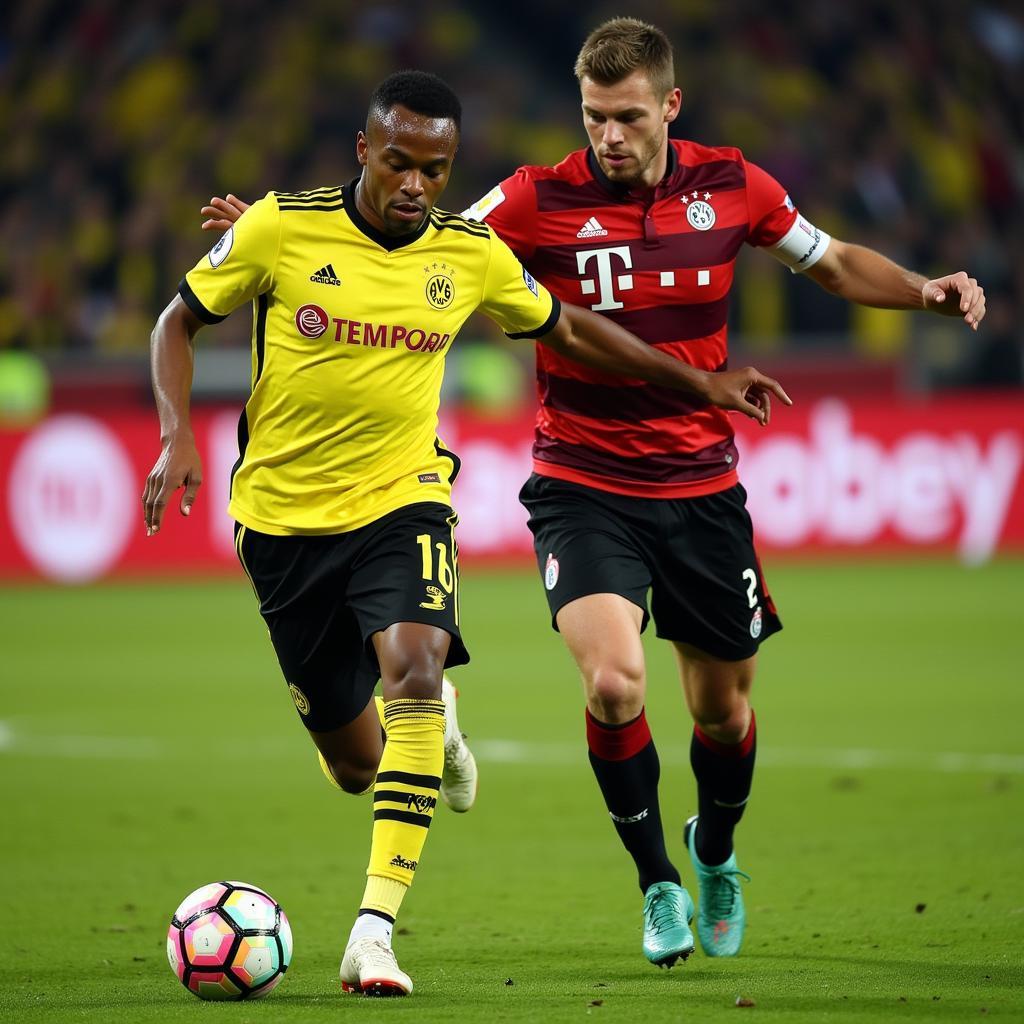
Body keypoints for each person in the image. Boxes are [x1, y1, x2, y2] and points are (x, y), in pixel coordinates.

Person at [202, 26, 986, 973]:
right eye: (593, 117)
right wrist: (290, 237)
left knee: (724, 713)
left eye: (626, 117)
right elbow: (414, 235)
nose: (609, 136)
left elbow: (830, 261)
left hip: (703, 486)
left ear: (669, 107)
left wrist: (923, 293)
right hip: (581, 482)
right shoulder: (536, 197)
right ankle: (658, 882)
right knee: (615, 685)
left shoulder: (736, 185)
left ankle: (715, 849)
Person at [153, 70, 790, 996]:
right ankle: (437, 727)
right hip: (281, 523)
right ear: (364, 152)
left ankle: (374, 932)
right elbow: (178, 320)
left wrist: (699, 380)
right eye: (400, 163)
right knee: (355, 763)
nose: (416, 184)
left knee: (415, 663)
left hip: (404, 501)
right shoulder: (283, 227)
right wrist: (176, 430)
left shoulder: (467, 253)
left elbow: (568, 327)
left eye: (436, 169)